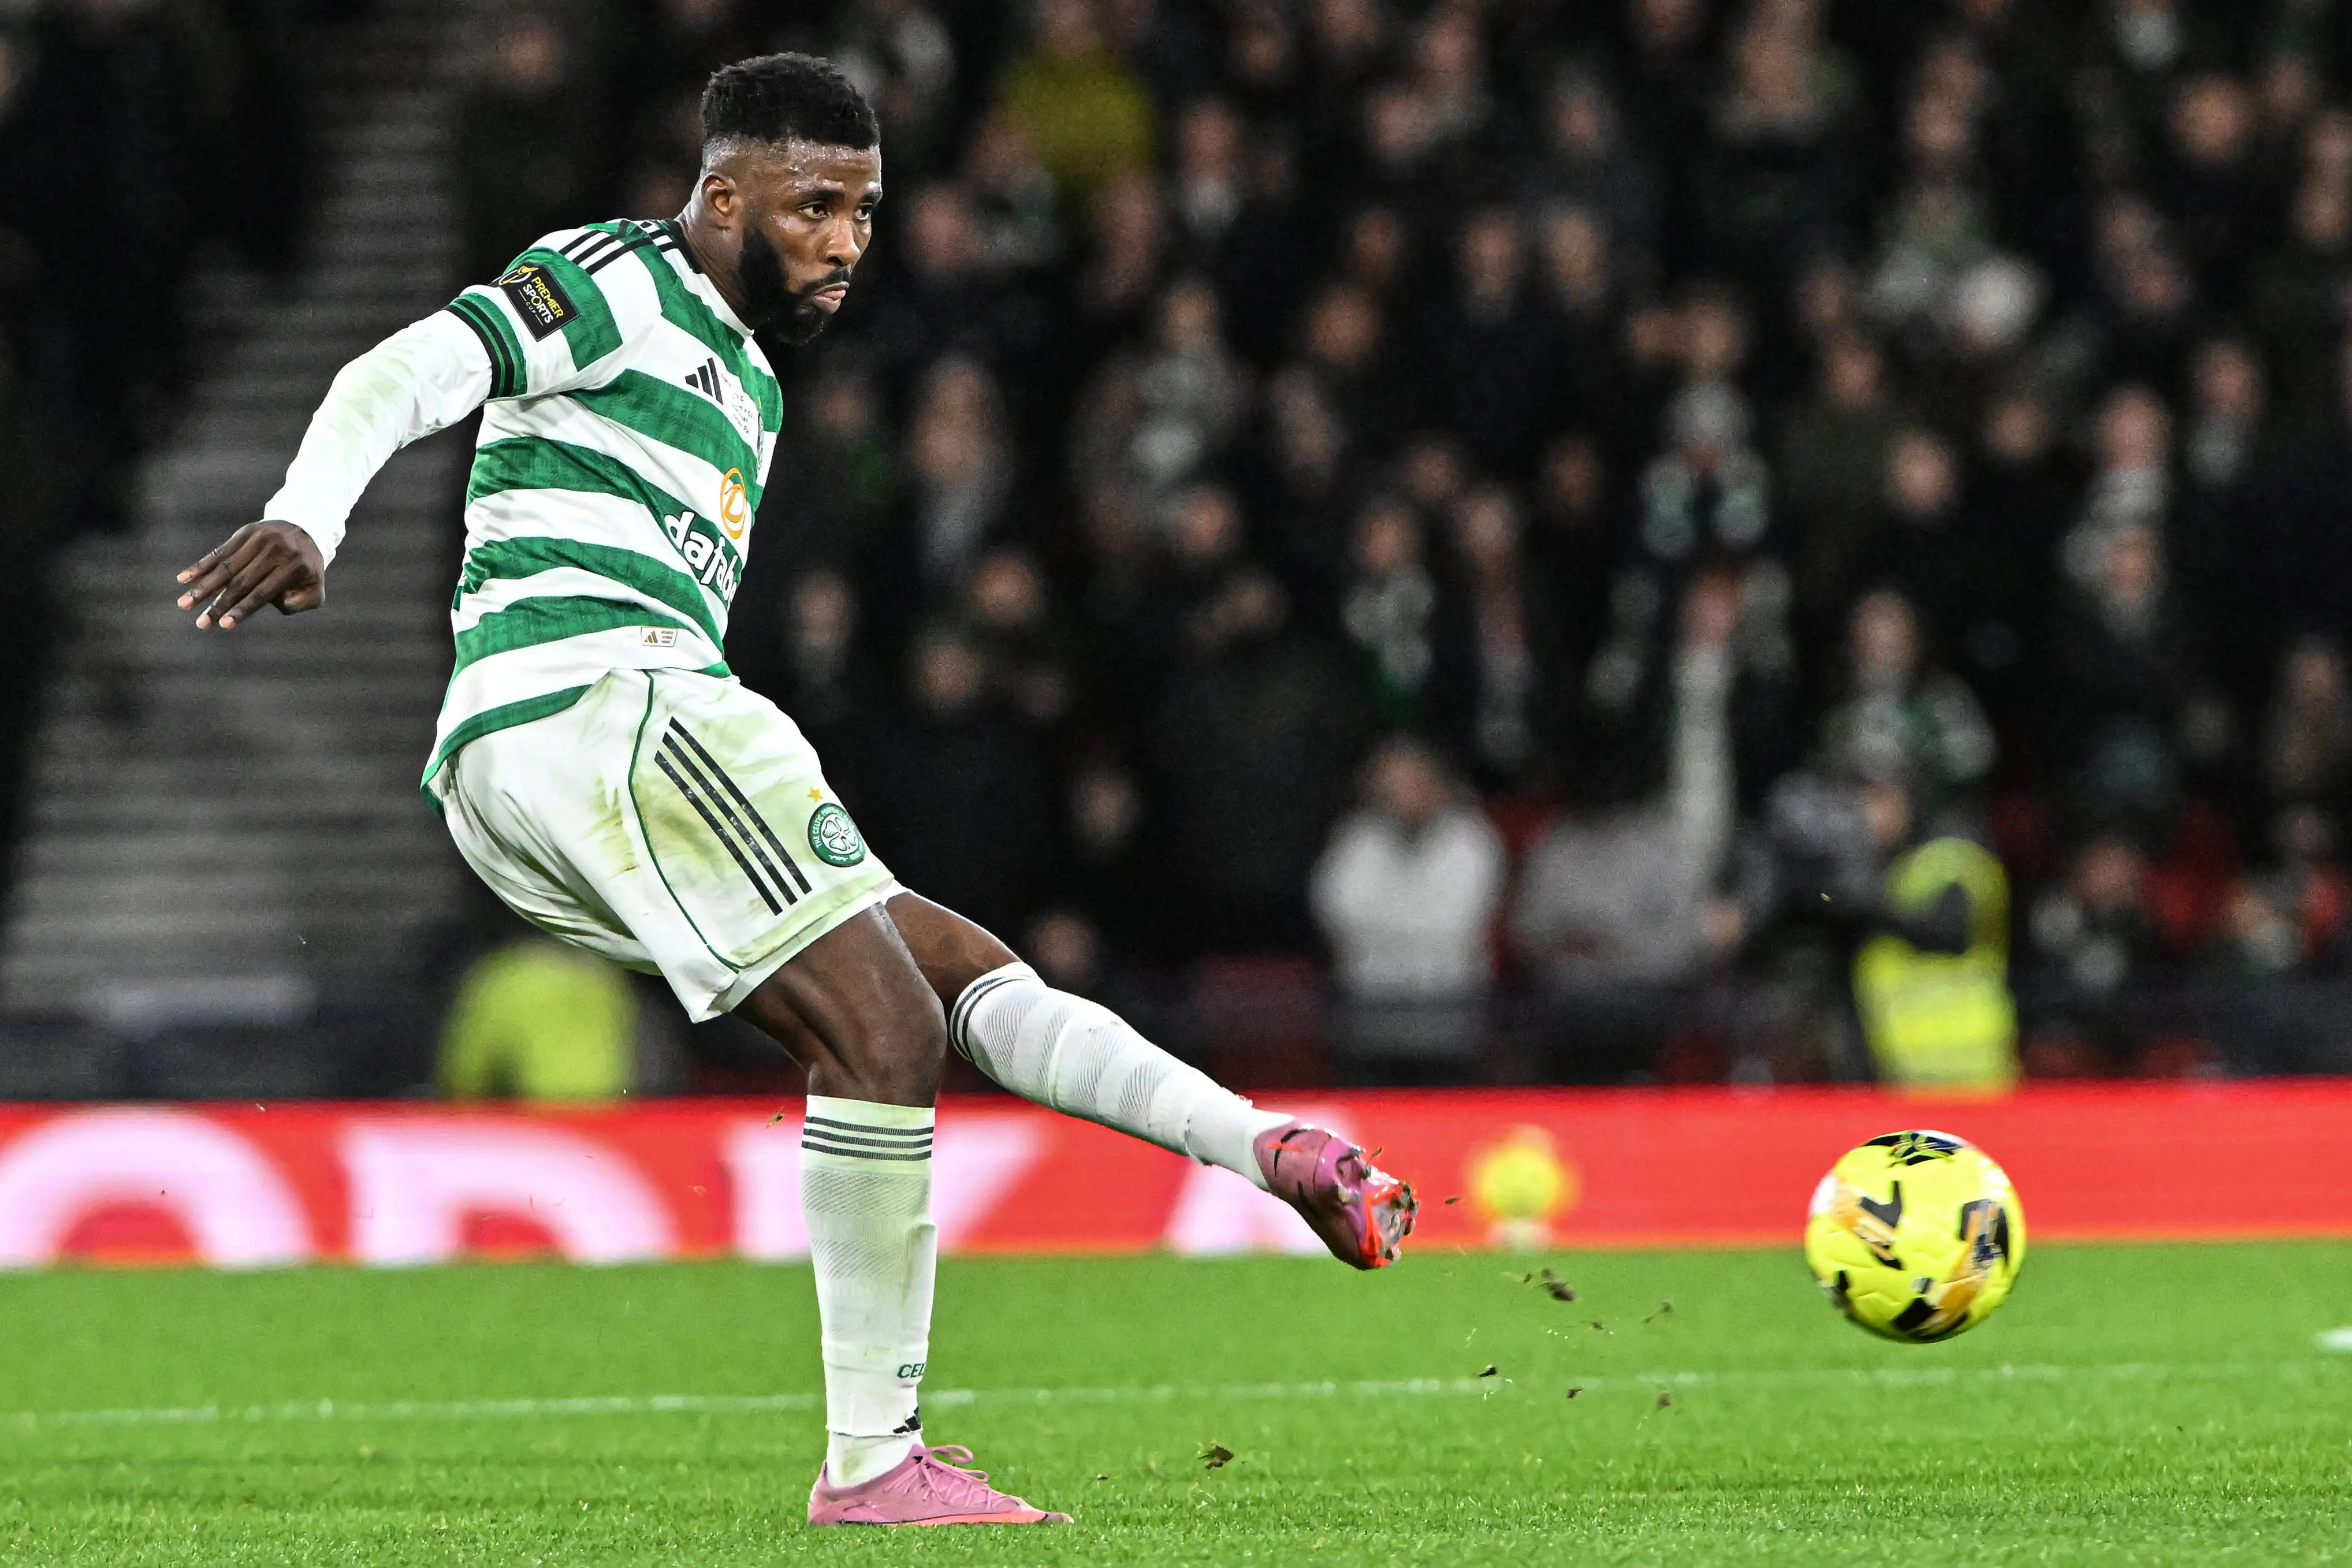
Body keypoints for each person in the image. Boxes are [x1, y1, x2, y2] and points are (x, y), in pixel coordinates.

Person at [169, 53, 1412, 1530]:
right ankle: (876, 1463)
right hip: (597, 705)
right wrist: (310, 517)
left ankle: (1266, 1150)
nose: (842, 240)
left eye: (866, 212)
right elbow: (403, 371)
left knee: (947, 972)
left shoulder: (749, 379)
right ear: (720, 194)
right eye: (813, 204)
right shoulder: (616, 278)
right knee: (884, 1024)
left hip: (557, 756)